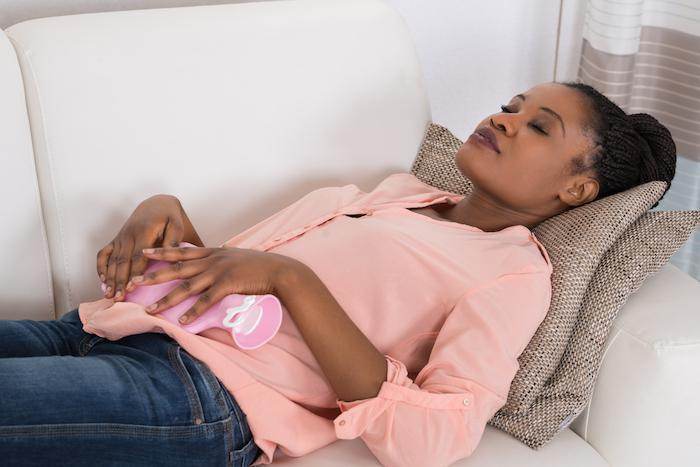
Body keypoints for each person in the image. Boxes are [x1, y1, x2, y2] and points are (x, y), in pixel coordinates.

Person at [0, 81, 676, 467]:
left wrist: (293, 280)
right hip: (110, 327)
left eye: (538, 126)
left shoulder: (514, 274)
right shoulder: (398, 195)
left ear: (577, 191)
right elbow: (239, 297)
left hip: (199, 395)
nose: (505, 118)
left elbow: (441, 434)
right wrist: (164, 213)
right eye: (513, 104)